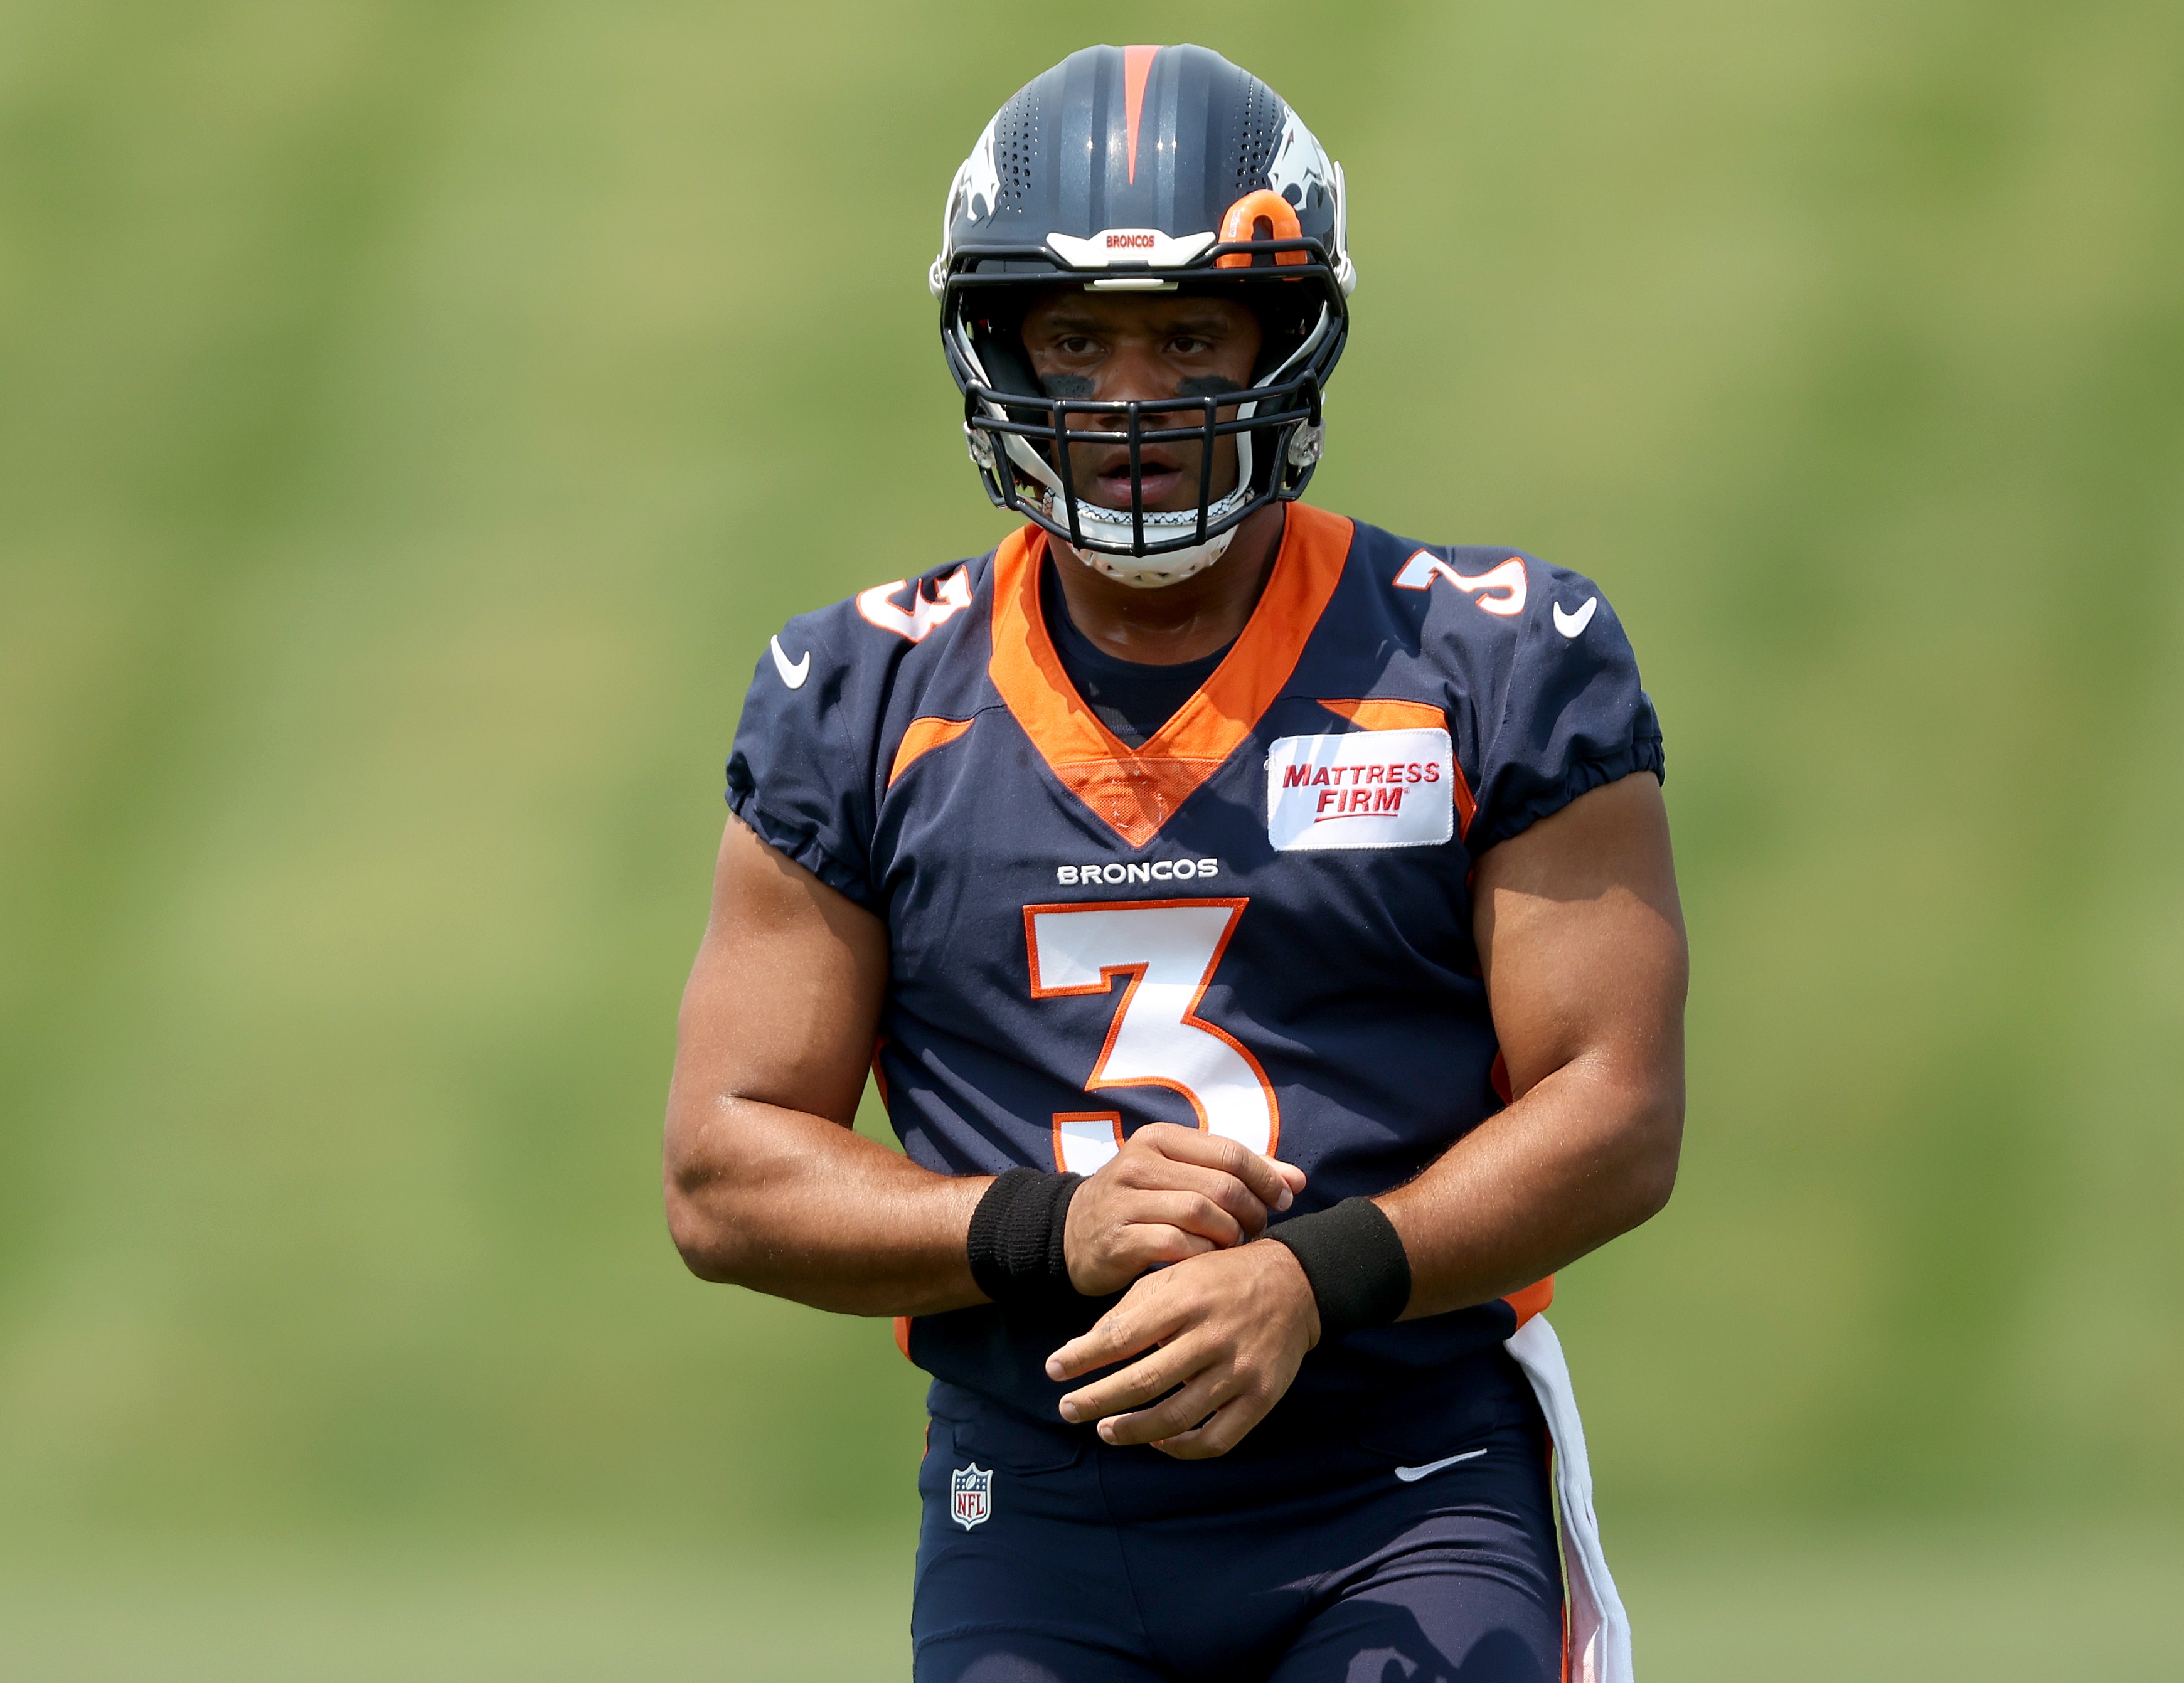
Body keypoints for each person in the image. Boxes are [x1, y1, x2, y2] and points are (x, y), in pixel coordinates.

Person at [665, 41, 1685, 1683]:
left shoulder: (1493, 654)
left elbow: (1616, 1110)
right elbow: (723, 1167)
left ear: (1285, 343)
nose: (1129, 398)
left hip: (1408, 1478)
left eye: (1188, 335)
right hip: (1037, 1505)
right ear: (998, 347)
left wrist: (1310, 1279)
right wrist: (1044, 1230)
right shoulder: (854, 694)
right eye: (1075, 340)